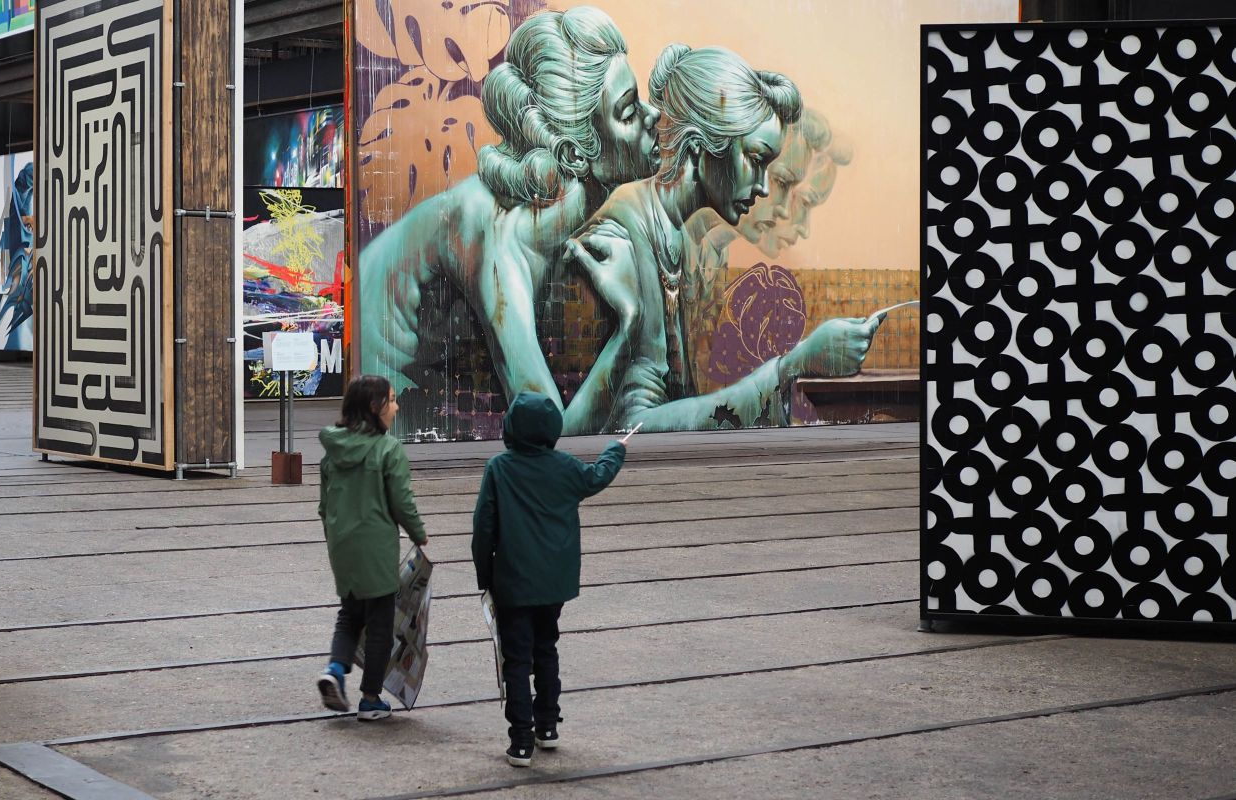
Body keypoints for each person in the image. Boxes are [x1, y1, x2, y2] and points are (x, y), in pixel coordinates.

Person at [563, 45, 882, 434]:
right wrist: (793, 364)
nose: (763, 187)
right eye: (756, 159)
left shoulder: (674, 233)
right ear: (699, 146)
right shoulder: (626, 232)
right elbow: (633, 427)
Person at [356, 6, 661, 410]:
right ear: (573, 151)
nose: (652, 114)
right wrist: (629, 320)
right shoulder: (500, 235)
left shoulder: (551, 213)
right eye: (628, 110)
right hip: (383, 387)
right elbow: (545, 424)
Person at [471, 391, 628, 766]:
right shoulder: (565, 467)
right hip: (554, 582)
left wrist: (485, 576)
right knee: (546, 650)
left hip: (512, 581)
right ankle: (547, 727)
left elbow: (483, 529)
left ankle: (521, 741)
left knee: (517, 660)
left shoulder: (499, 468)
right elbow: (597, 477)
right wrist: (614, 450)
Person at [314, 375, 427, 720]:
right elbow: (401, 502)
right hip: (376, 546)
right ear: (375, 408)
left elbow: (324, 506)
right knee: (380, 623)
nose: (396, 406)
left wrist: (336, 536)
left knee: (349, 615)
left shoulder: (332, 452)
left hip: (342, 546)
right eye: (391, 400)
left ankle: (334, 670)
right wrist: (418, 533)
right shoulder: (388, 449)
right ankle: (370, 698)